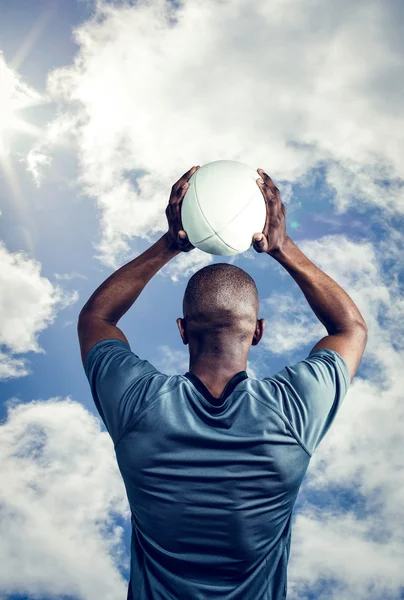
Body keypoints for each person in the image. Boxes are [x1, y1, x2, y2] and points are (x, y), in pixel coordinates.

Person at [80, 170, 368, 599]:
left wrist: (170, 244)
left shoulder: (139, 404)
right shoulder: (291, 412)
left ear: (182, 329)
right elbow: (350, 328)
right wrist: (283, 248)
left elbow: (96, 319)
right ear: (258, 331)